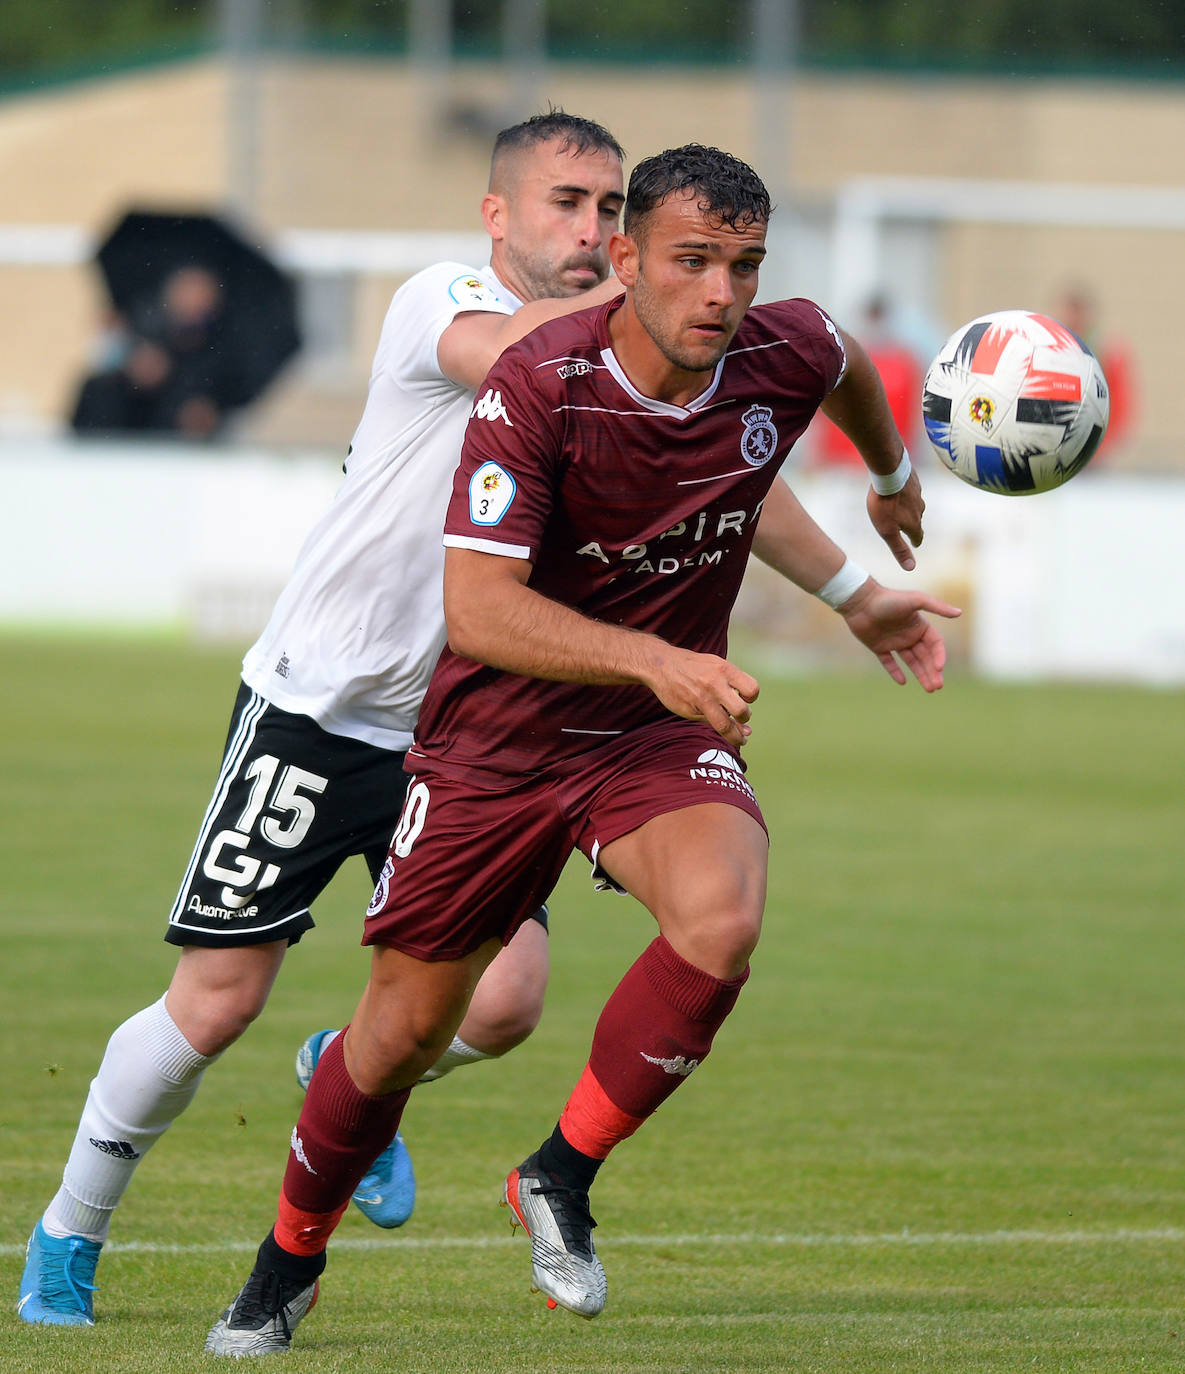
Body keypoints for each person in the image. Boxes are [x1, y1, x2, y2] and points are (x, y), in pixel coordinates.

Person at [204, 143, 956, 1357]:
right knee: (395, 1035)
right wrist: (656, 656)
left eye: (744, 265)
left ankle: (557, 1174)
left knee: (722, 917)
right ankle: (287, 1261)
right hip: (496, 738)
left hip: (650, 736)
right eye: (693, 262)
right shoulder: (541, 384)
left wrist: (888, 480)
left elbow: (848, 367)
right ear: (625, 262)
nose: (722, 292)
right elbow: (481, 613)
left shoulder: (783, 345)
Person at [18, 109, 629, 1328]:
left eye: (613, 209)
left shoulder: (609, 370)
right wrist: (645, 303)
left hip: (458, 733)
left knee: (503, 1004)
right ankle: (69, 1230)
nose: (594, 231)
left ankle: (337, 1073)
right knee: (216, 1001)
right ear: (498, 215)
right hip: (319, 707)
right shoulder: (443, 300)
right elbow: (502, 351)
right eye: (568, 203)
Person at [70, 266, 251, 439]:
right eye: (187, 292)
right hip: (119, 434)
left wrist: (206, 418)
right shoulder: (139, 322)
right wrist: (131, 375)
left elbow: (223, 406)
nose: (193, 303)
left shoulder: (222, 351)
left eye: (201, 296)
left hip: (174, 446)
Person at [808, 291, 925, 468]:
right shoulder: (843, 359)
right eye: (873, 317)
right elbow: (817, 413)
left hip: (888, 466)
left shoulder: (905, 364)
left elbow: (916, 416)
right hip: (839, 465)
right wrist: (813, 458)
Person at [1055, 283, 1138, 457]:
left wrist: (1099, 447)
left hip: (1092, 453)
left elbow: (1120, 404)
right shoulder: (1051, 350)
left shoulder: (1107, 353)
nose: (1072, 317)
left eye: (1076, 311)